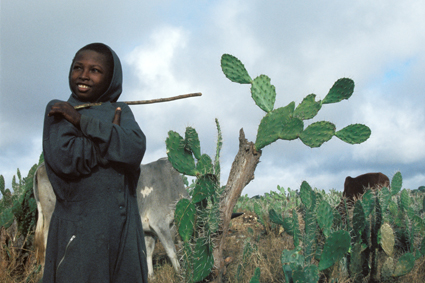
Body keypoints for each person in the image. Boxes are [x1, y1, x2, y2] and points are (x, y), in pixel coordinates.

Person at [42, 43, 148, 282]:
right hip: (80, 232)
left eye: (95, 70)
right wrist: (110, 138)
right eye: (78, 67)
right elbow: (66, 159)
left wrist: (83, 123)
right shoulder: (59, 109)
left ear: (111, 78)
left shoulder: (122, 110)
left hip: (124, 231)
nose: (83, 75)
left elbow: (134, 148)